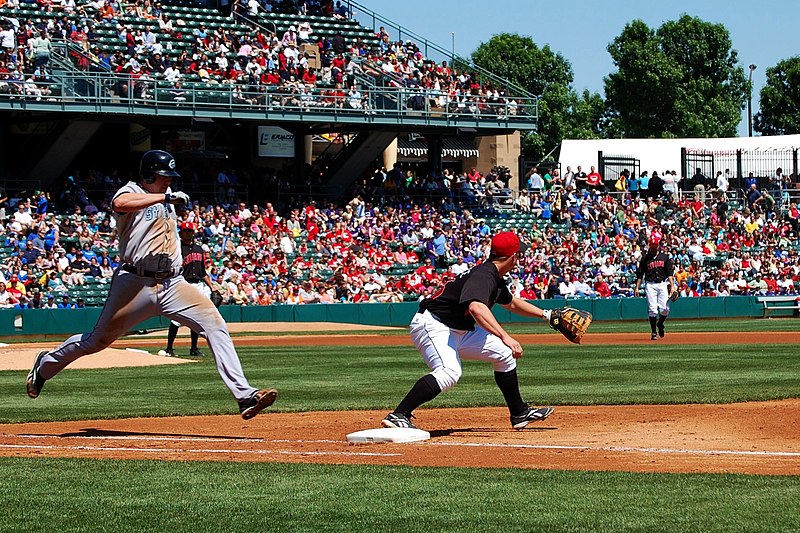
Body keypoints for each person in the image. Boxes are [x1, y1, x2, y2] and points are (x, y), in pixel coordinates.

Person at [26, 150, 277, 420]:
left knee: (215, 326)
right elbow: (121, 203)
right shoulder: (133, 191)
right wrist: (164, 196)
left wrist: (166, 198)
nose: (168, 180)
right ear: (147, 174)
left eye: (170, 176)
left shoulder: (166, 198)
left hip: (173, 283)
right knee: (97, 341)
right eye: (163, 175)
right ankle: (45, 366)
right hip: (135, 284)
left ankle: (244, 395)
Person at [382, 232, 554, 431]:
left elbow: (512, 304)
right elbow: (476, 308)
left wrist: (547, 315)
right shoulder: (484, 275)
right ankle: (399, 414)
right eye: (519, 254)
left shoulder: (493, 277)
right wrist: (505, 336)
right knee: (449, 372)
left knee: (504, 354)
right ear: (514, 257)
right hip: (435, 325)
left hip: (459, 328)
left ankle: (519, 412)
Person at [160, 221, 216, 357]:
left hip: (197, 284)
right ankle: (169, 348)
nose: (188, 233)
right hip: (182, 284)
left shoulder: (199, 249)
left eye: (190, 231)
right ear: (181, 233)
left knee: (196, 318)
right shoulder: (177, 249)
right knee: (177, 318)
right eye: (186, 231)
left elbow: (203, 272)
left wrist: (213, 288)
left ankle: (194, 348)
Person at [634, 229, 676, 340]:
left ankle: (660, 324)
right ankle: (653, 332)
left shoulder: (664, 257)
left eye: (654, 245)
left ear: (657, 246)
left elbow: (669, 273)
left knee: (665, 309)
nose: (652, 247)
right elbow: (640, 274)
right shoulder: (645, 258)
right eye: (651, 245)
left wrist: (672, 286)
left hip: (662, 284)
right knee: (652, 309)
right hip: (650, 285)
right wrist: (637, 287)